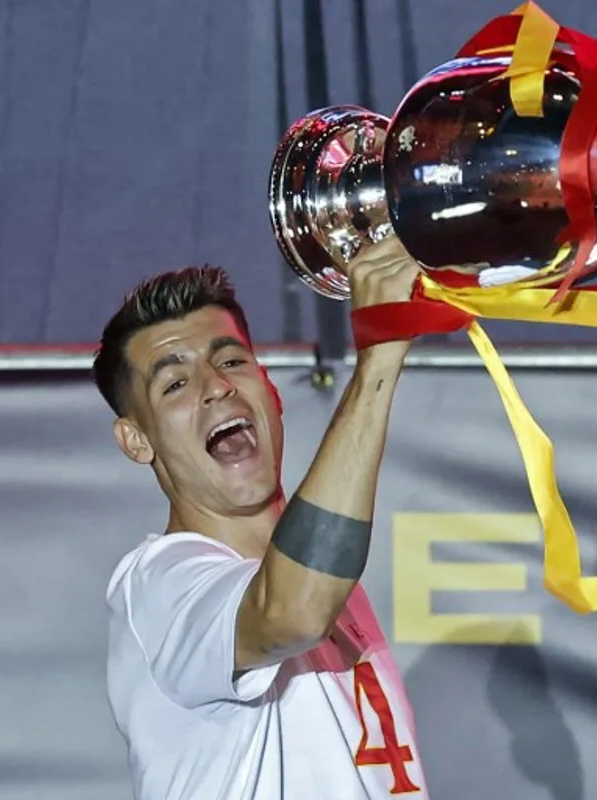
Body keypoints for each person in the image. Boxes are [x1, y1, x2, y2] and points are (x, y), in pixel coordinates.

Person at [92, 235, 431, 799]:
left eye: (231, 360)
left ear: (272, 392)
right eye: (175, 383)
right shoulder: (156, 586)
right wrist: (381, 353)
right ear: (135, 440)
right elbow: (290, 612)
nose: (216, 386)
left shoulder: (324, 578)